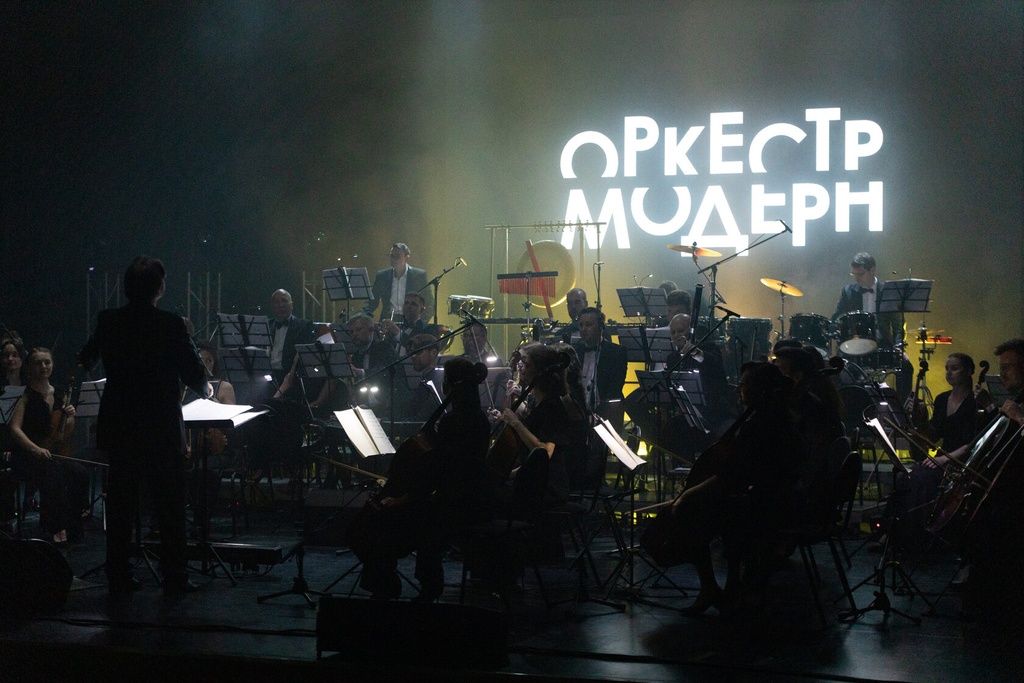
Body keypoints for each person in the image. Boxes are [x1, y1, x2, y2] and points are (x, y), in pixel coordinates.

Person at [79, 256, 209, 596]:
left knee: (121, 502)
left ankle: (118, 573)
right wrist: (205, 387)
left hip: (121, 423)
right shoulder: (171, 324)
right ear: (160, 288)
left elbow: (86, 358)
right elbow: (193, 371)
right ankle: (174, 576)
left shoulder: (108, 320)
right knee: (169, 503)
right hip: (159, 425)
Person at [669, 361, 808, 615]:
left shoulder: (759, 425)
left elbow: (732, 476)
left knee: (689, 511)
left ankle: (710, 587)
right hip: (784, 500)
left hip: (769, 507)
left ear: (760, 389)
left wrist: (687, 494)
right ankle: (734, 583)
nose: (737, 390)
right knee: (723, 507)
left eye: (743, 385)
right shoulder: (781, 418)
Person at [350, 357, 491, 600]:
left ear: (449, 384)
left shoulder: (452, 422)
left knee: (369, 528)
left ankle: (387, 584)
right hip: (470, 500)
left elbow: (440, 473)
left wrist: (406, 498)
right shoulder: (480, 420)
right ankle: (409, 584)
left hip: (448, 506)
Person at [7, 347, 89, 545]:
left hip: (52, 452)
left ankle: (73, 524)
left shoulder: (60, 392)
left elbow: (63, 429)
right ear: (29, 367)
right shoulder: (24, 394)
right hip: (28, 453)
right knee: (53, 473)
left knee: (80, 473)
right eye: (38, 363)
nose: (43, 366)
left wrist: (70, 415)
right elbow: (15, 429)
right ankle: (54, 528)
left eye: (47, 362)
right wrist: (36, 449)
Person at [498, 343, 586, 505]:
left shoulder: (552, 407)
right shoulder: (540, 403)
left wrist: (517, 423)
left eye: (527, 365)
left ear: (540, 371)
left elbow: (545, 453)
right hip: (535, 481)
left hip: (547, 488)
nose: (523, 369)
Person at [831, 252, 910, 397]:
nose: (856, 278)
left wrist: (899, 346)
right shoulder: (848, 291)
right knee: (837, 366)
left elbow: (898, 324)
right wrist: (835, 327)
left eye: (860, 274)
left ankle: (903, 405)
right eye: (854, 274)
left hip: (882, 344)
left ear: (872, 270)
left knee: (906, 367)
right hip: (855, 343)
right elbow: (837, 316)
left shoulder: (888, 291)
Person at [572, 307, 627, 431]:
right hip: (579, 413)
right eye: (581, 325)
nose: (583, 329)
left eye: (588, 325)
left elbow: (615, 387)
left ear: (600, 327)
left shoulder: (616, 352)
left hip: (607, 412)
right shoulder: (575, 352)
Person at [363, 242, 433, 324]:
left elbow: (430, 302)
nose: (393, 259)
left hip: (411, 321)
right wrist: (363, 316)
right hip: (387, 321)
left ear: (406, 258)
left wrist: (421, 321)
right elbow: (372, 301)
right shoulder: (382, 276)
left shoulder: (419, 275)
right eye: (391, 256)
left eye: (397, 256)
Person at [267, 289, 315, 388]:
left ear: (291, 305)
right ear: (272, 306)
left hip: (291, 377)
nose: (281, 305)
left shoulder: (303, 326)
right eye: (277, 302)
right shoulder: (266, 325)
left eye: (284, 301)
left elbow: (303, 358)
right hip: (268, 374)